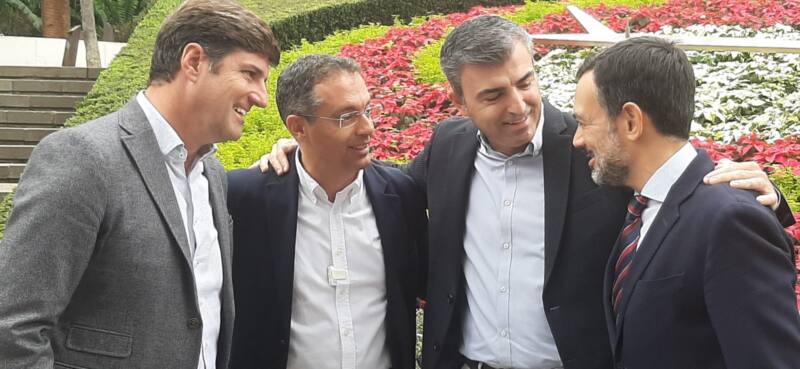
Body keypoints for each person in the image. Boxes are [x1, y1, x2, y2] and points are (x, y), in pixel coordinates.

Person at [261, 16, 793, 369]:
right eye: (492, 95)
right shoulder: (448, 146)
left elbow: (665, 166)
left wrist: (760, 188)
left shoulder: (592, 146)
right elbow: (386, 187)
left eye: (525, 82)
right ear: (459, 101)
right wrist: (302, 148)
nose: (517, 105)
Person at [0, 1, 280, 368]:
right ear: (193, 62)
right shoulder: (82, 158)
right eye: (249, 74)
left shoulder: (211, 175)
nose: (261, 97)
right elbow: (13, 329)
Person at [572, 36, 800, 369]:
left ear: (632, 122)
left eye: (583, 122)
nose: (577, 139)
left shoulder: (729, 220)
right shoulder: (640, 199)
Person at [227, 55, 428, 369]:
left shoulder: (401, 195)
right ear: (298, 127)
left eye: (368, 110)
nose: (368, 128)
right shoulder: (243, 199)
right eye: (347, 117)